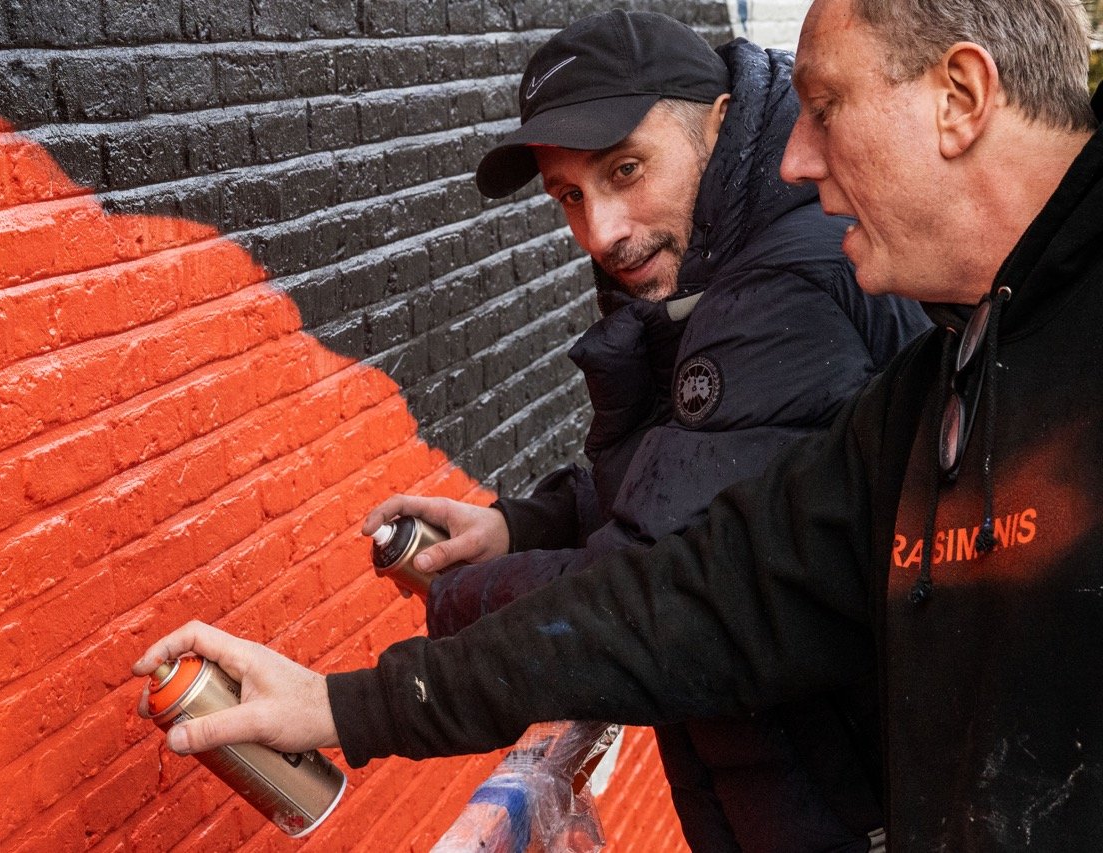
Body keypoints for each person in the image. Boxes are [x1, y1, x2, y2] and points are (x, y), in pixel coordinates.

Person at [134, 0, 1103, 848]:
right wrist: (346, 697)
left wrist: (392, 656)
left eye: (827, 107)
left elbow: (672, 575)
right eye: (568, 197)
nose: (799, 159)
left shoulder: (820, 288)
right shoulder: (945, 372)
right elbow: (697, 589)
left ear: (960, 97)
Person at [362, 11, 927, 852]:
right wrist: (524, 523)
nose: (603, 231)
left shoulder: (784, 285)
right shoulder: (719, 263)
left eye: (626, 169)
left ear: (721, 117)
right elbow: (695, 465)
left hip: (860, 800)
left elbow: (653, 584)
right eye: (570, 197)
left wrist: (414, 638)